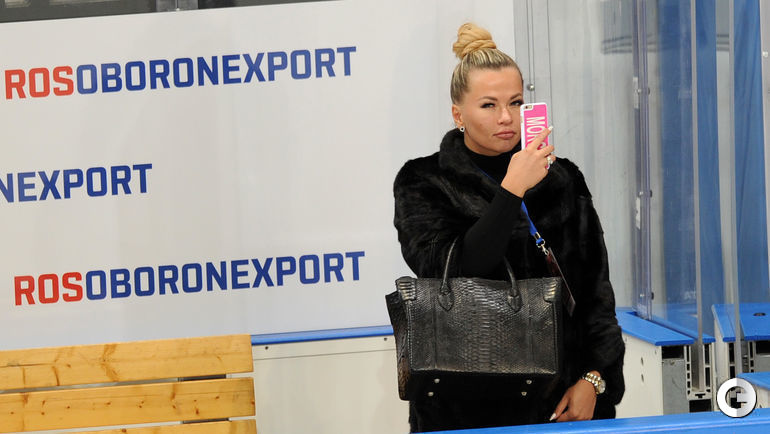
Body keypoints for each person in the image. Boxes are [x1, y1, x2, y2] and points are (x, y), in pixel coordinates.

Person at [392, 23, 625, 432]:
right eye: (488, 105)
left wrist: (594, 379)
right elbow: (454, 270)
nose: (506, 117)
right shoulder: (424, 181)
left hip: (563, 402)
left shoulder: (563, 179)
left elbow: (595, 293)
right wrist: (511, 190)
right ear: (458, 114)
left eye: (516, 102)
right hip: (464, 409)